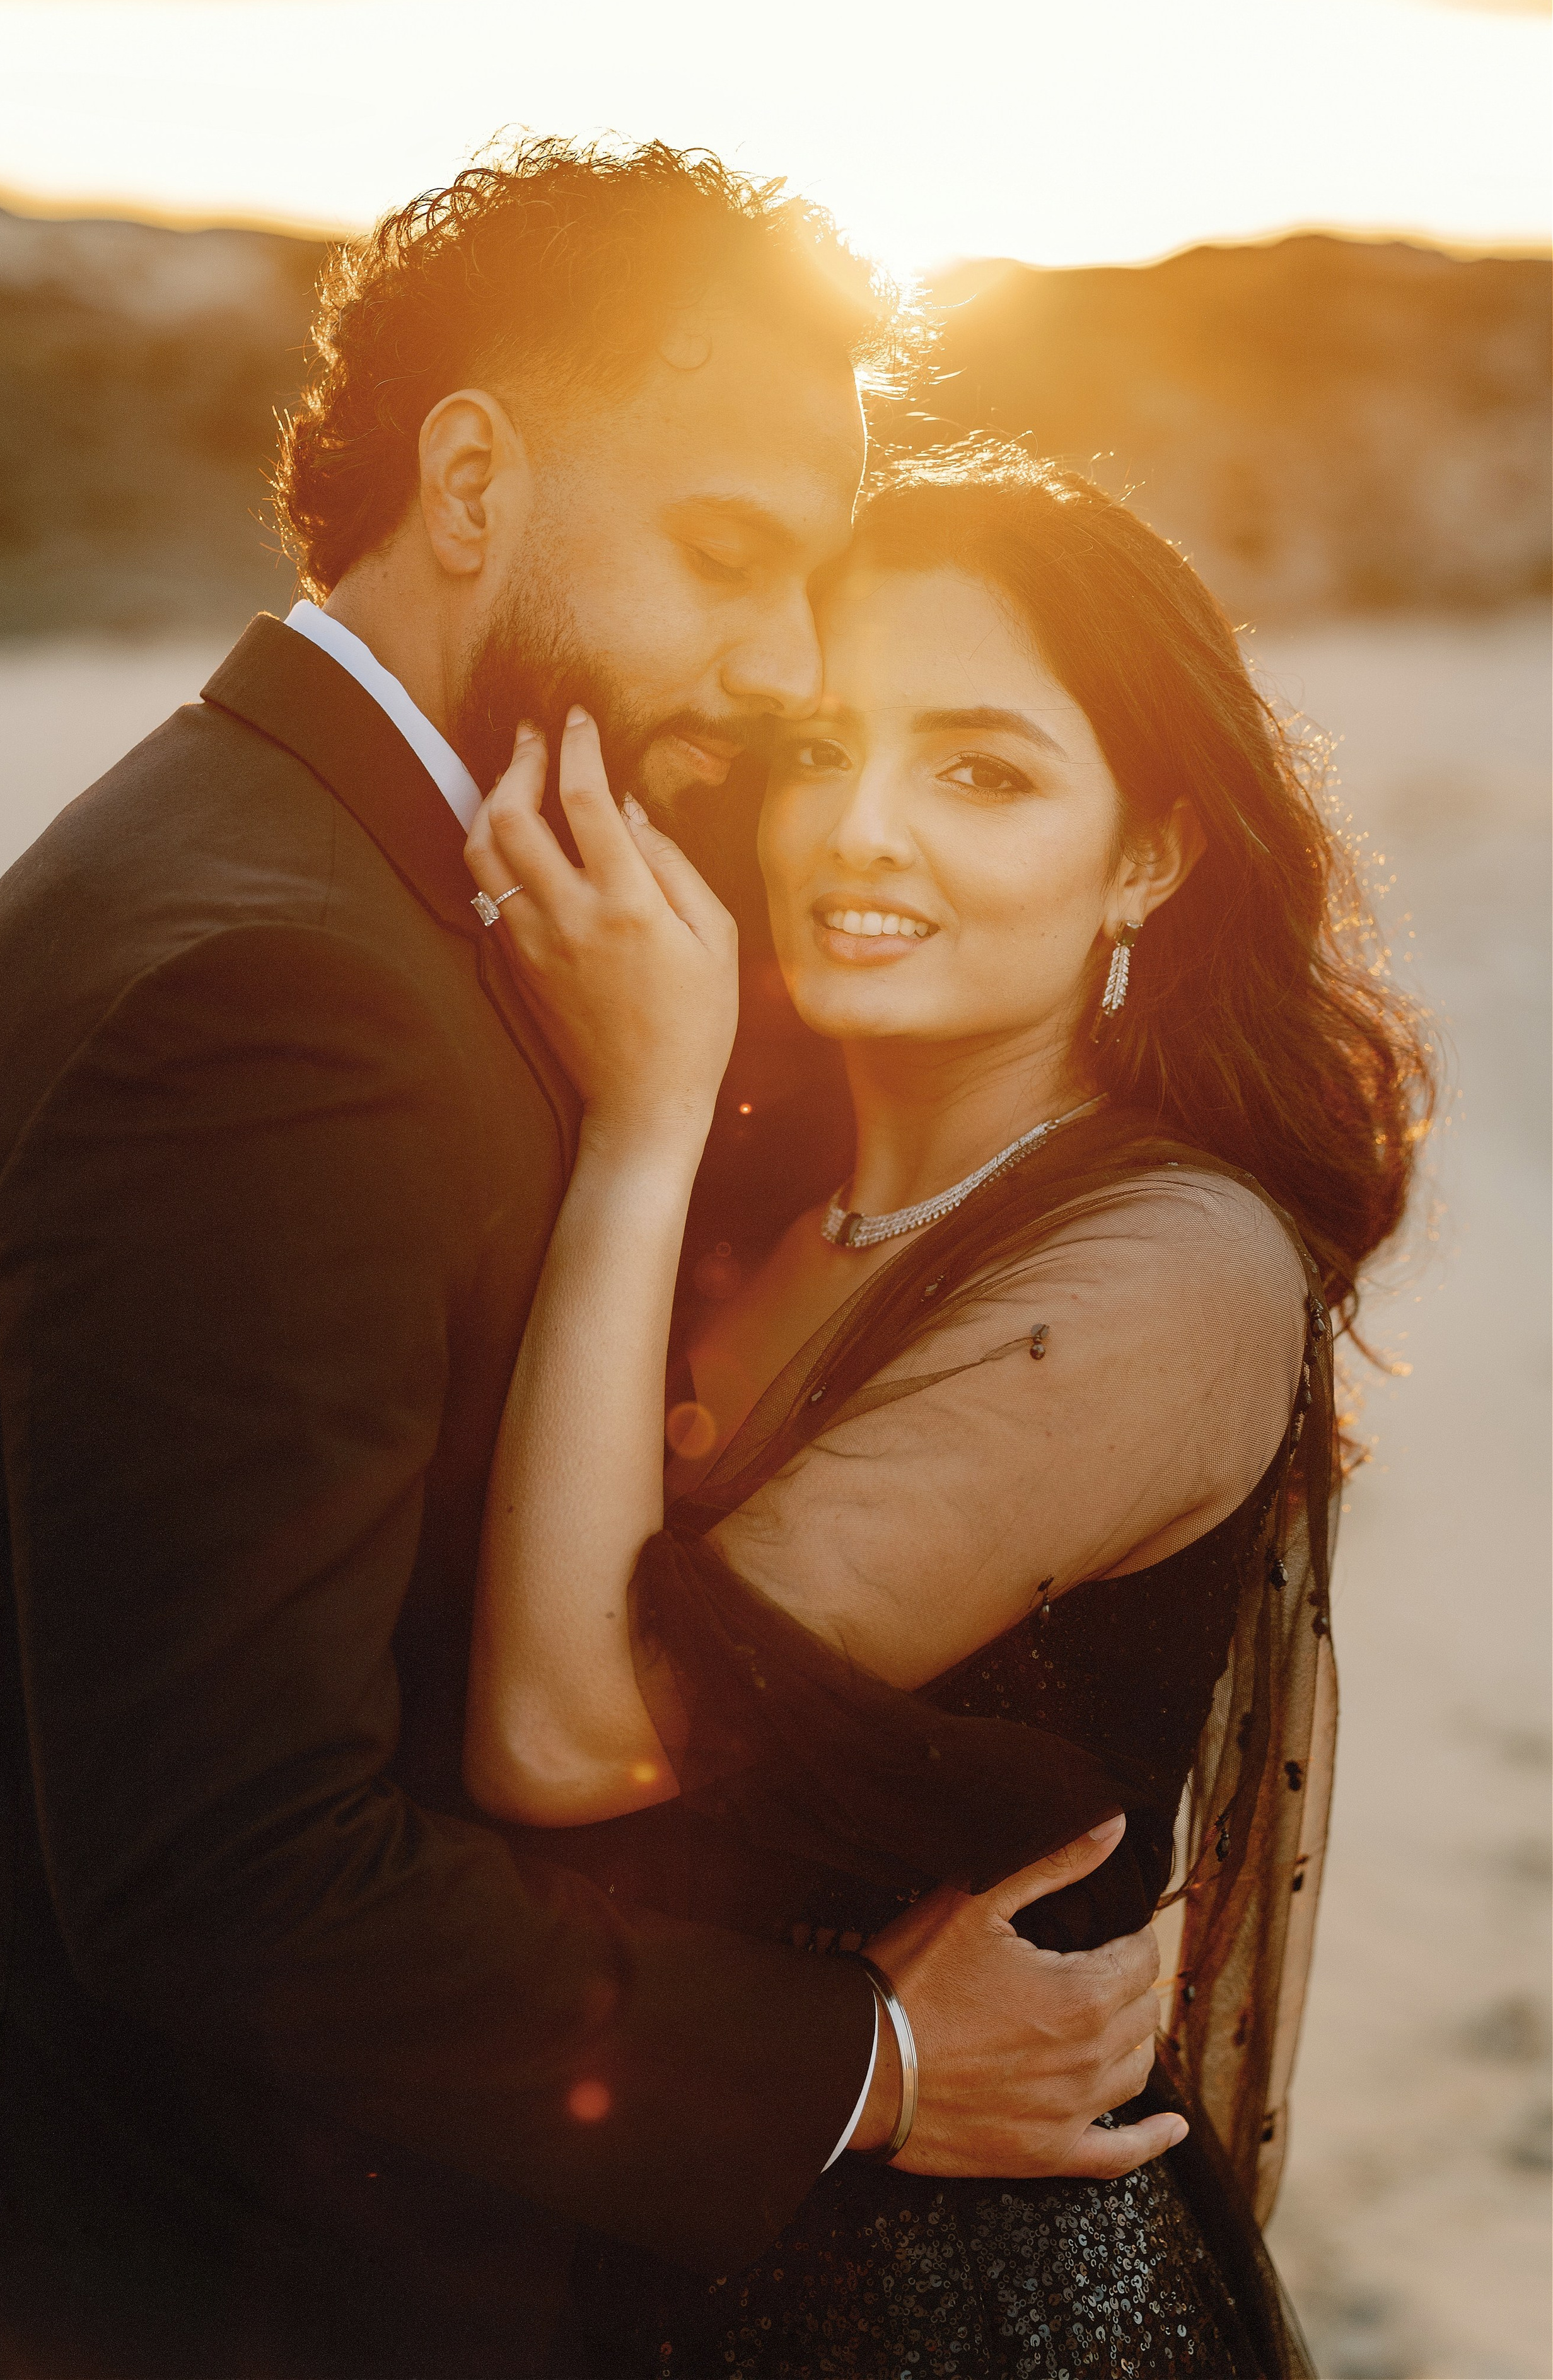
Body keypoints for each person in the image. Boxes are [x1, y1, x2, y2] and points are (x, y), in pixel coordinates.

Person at [0, 148, 1182, 2380]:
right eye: (728, 557)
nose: (786, 663)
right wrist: (873, 2069)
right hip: (202, 2275)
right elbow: (225, 1867)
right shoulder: (276, 990)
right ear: (476, 481)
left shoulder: (318, 855)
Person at [458, 449, 1432, 2377]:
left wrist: (645, 1123)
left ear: (1148, 851)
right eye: (822, 750)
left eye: (980, 771)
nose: (858, 833)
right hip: (672, 2235)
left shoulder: (1167, 1269)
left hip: (953, 2312)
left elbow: (569, 1738)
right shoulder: (769, 1202)